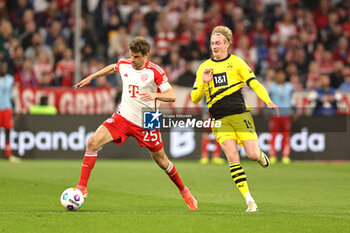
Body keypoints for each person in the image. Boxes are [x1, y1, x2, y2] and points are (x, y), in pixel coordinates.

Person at [73, 37, 198, 211]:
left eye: (137, 57)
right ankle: (82, 187)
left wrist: (155, 95)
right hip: (123, 116)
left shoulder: (155, 71)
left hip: (148, 119)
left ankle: (184, 190)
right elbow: (113, 67)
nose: (133, 60)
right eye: (131, 56)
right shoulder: (125, 63)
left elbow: (172, 96)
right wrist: (91, 77)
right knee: (92, 142)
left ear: (146, 55)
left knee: (162, 161)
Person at [191, 26, 279, 212]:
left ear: (227, 44)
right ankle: (249, 200)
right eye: (212, 43)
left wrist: (268, 101)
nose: (214, 46)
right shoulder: (203, 68)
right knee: (232, 157)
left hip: (240, 115)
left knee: (253, 154)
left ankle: (261, 155)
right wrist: (204, 83)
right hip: (219, 120)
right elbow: (194, 98)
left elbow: (254, 83)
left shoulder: (238, 63)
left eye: (218, 43)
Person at [268, 69, 294, 164]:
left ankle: (285, 156)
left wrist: (293, 111)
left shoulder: (289, 87)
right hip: (274, 114)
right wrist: (266, 111)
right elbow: (268, 99)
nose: (280, 77)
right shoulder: (272, 87)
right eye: (278, 75)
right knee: (273, 135)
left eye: (282, 75)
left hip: (286, 114)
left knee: (286, 136)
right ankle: (272, 156)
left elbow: (292, 100)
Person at [0, 62, 21, 162]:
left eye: (5, 67)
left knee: (8, 131)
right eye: (2, 67)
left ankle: (9, 154)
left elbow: (13, 95)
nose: (3, 69)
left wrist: (16, 108)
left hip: (7, 108)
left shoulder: (10, 79)